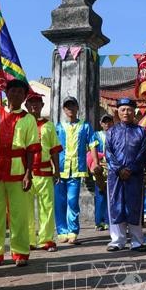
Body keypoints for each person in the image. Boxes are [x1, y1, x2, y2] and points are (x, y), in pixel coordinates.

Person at [0, 79, 40, 267]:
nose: (16, 95)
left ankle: (20, 251)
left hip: (17, 169)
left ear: (25, 96)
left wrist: (28, 173)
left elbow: (31, 149)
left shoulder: (28, 120)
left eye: (20, 92)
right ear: (7, 93)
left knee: (19, 213)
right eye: (13, 91)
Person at [105, 98, 146, 252]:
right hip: (116, 176)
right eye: (123, 109)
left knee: (134, 207)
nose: (126, 112)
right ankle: (117, 240)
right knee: (116, 206)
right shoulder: (111, 132)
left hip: (135, 175)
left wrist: (130, 169)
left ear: (134, 112)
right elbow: (108, 153)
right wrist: (119, 169)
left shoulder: (141, 132)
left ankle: (137, 241)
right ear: (118, 111)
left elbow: (143, 152)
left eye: (129, 109)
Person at [25, 91, 62, 252]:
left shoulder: (48, 125)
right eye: (31, 102)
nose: (34, 105)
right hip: (26, 173)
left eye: (37, 102)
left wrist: (57, 170)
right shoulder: (23, 123)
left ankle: (46, 239)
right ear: (26, 106)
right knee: (26, 208)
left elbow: (54, 149)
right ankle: (29, 240)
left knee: (47, 207)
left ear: (42, 105)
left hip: (45, 171)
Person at [55, 96, 94, 244]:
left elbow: (92, 145)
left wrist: (94, 163)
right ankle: (61, 231)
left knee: (72, 201)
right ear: (64, 109)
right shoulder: (58, 127)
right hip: (60, 169)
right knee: (60, 201)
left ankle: (72, 231)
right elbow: (52, 148)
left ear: (77, 108)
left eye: (73, 106)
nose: (70, 109)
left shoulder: (85, 126)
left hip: (76, 169)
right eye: (67, 106)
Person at [89, 114, 114, 231]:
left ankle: (109, 220)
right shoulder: (96, 135)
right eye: (104, 122)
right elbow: (92, 148)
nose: (107, 124)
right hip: (100, 168)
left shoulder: (115, 134)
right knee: (100, 194)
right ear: (101, 123)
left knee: (111, 195)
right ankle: (99, 222)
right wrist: (96, 163)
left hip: (112, 167)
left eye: (109, 122)